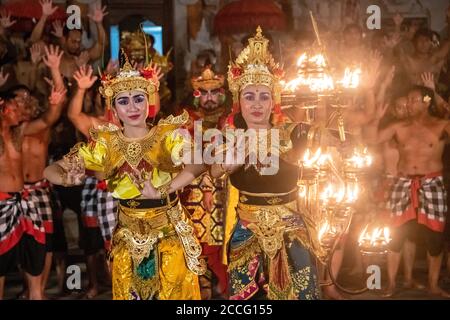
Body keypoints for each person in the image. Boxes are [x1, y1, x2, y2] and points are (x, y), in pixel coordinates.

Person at [44, 54, 206, 300]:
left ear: (148, 101)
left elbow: (198, 162)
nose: (132, 107)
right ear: (114, 108)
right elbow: (50, 170)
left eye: (138, 99)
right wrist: (68, 179)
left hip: (168, 232)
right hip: (127, 236)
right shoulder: (106, 144)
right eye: (123, 101)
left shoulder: (168, 135)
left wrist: (163, 190)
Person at [210, 27, 320, 300]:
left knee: (301, 292)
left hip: (291, 225)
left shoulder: (294, 132)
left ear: (274, 100)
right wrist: (230, 163)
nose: (257, 104)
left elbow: (321, 144)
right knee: (246, 298)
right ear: (238, 100)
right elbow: (213, 172)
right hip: (247, 224)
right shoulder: (229, 137)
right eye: (249, 96)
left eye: (264, 96)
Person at [366, 85, 450, 298]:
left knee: (435, 238)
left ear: (426, 101)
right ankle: (392, 284)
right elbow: (372, 140)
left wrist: (441, 101)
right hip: (402, 183)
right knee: (396, 235)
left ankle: (432, 285)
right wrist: (375, 118)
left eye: (414, 100)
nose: (409, 104)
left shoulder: (441, 125)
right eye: (408, 100)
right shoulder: (399, 127)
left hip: (432, 184)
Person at [0, 84, 66, 300]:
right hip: (2, 206)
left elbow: (47, 120)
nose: (21, 110)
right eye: (16, 106)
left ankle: (36, 296)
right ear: (3, 107)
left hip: (24, 203)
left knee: (36, 254)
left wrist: (55, 102)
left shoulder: (18, 132)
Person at [179, 65, 229, 298]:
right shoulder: (188, 119)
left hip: (226, 190)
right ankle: (202, 294)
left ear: (221, 93)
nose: (209, 98)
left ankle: (229, 291)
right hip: (195, 192)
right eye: (204, 93)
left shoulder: (230, 118)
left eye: (214, 92)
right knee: (196, 245)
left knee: (225, 246)